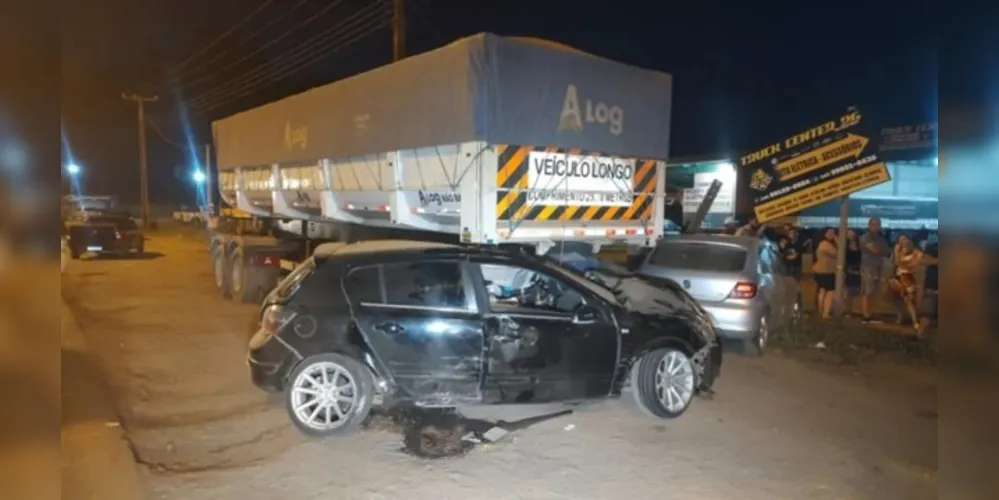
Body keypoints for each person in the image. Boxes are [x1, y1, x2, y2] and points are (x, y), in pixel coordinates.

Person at [890, 233, 937, 335]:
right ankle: (900, 316)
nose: (903, 242)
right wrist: (896, 252)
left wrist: (907, 266)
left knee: (909, 300)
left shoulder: (916, 253)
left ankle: (915, 321)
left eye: (905, 239)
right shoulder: (898, 251)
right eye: (900, 240)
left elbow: (916, 265)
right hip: (896, 277)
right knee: (894, 297)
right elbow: (895, 263)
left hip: (908, 278)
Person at [859, 217, 889, 323]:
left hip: (878, 267)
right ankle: (865, 314)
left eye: (877, 224)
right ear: (869, 225)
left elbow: (886, 252)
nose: (875, 227)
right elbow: (875, 250)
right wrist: (878, 250)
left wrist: (879, 250)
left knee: (874, 291)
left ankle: (871, 312)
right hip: (867, 267)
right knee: (867, 291)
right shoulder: (864, 238)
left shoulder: (881, 239)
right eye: (873, 224)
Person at [812, 227, 838, 319]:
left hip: (823, 270)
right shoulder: (825, 244)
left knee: (822, 290)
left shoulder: (822, 244)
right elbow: (838, 253)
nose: (832, 234)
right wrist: (837, 239)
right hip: (826, 271)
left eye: (833, 232)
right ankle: (825, 312)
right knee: (830, 291)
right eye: (830, 232)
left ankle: (822, 311)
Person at [844, 228, 863, 315]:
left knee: (857, 290)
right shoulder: (844, 246)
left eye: (852, 233)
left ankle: (855, 308)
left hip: (858, 269)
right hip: (849, 269)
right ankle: (848, 309)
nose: (850, 235)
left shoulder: (859, 245)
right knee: (849, 290)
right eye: (849, 233)